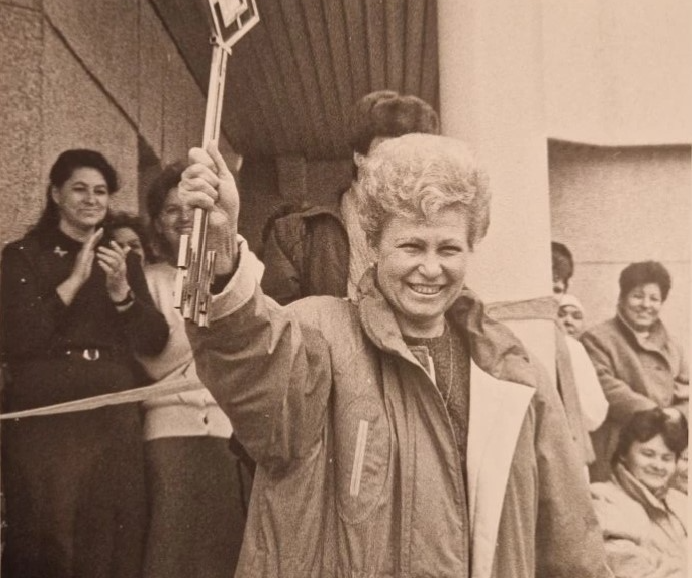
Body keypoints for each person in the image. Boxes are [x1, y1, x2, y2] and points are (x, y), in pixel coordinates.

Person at [179, 135, 610, 578]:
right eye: (411, 246)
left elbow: (570, 539)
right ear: (375, 243)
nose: (431, 268)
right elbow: (251, 358)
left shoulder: (512, 372)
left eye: (448, 248)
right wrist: (222, 253)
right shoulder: (319, 334)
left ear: (471, 247)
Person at [0, 148, 168, 578]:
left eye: (101, 191)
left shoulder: (122, 260)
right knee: (46, 529)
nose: (92, 199)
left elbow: (155, 340)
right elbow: (18, 338)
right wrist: (75, 279)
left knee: (108, 534)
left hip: (110, 414)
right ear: (56, 193)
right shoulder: (22, 255)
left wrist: (121, 293)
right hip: (47, 411)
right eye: (80, 189)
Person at [138, 162, 259, 578]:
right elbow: (161, 355)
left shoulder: (225, 275)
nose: (183, 218)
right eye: (171, 210)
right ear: (157, 222)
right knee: (170, 550)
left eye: (191, 207)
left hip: (226, 433)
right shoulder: (147, 280)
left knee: (223, 551)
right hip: (168, 432)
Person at [261, 89, 440, 304]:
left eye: (413, 154)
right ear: (359, 157)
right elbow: (277, 320)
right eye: (388, 150)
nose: (402, 164)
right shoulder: (292, 233)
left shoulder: (436, 232)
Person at [581, 261, 689, 482]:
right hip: (616, 446)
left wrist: (678, 417)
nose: (646, 305)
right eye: (637, 296)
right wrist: (655, 412)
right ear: (622, 297)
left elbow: (685, 390)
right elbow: (604, 385)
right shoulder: (597, 339)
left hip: (663, 449)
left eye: (654, 298)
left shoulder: (673, 346)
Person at [590, 408, 688, 578]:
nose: (658, 465)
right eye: (648, 454)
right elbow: (631, 571)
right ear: (623, 454)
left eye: (667, 458)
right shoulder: (603, 499)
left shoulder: (680, 501)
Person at [557, 293, 608, 458]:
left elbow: (595, 409)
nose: (568, 321)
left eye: (576, 316)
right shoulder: (572, 348)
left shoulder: (581, 351)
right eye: (561, 314)